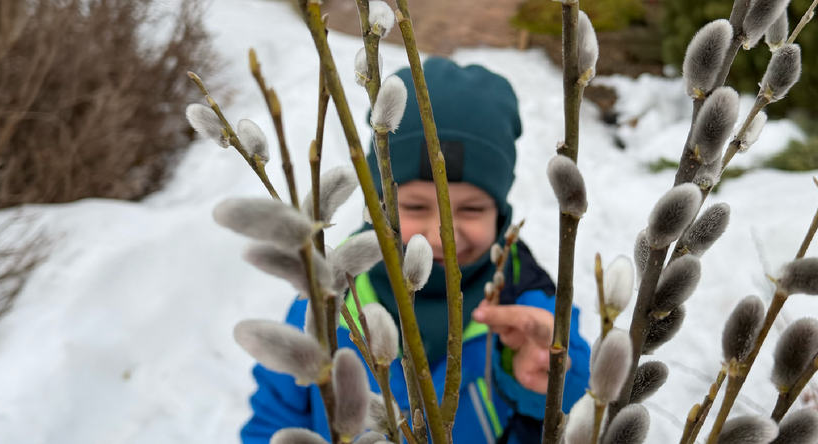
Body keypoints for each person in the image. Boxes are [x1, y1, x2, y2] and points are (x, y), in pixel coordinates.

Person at [241, 58, 592, 444]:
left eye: (472, 209)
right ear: (378, 205)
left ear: (501, 212)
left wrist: (548, 377)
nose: (441, 236)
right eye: (414, 207)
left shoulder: (533, 310)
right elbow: (272, 422)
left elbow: (579, 417)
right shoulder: (327, 307)